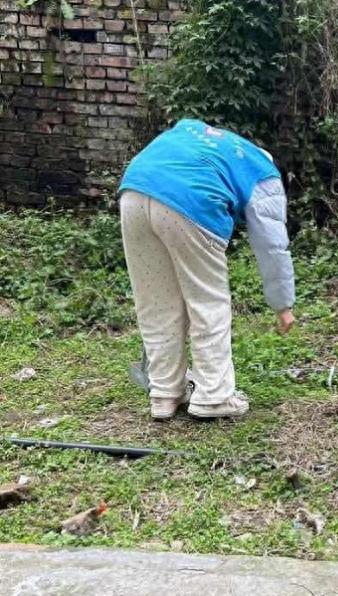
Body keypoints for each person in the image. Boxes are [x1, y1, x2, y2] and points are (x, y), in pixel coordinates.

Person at [118, 119, 295, 420]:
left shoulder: (206, 138)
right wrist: (283, 305)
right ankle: (214, 396)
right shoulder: (264, 174)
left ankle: (164, 393)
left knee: (156, 304)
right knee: (207, 301)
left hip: (134, 190)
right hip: (191, 199)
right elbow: (272, 247)